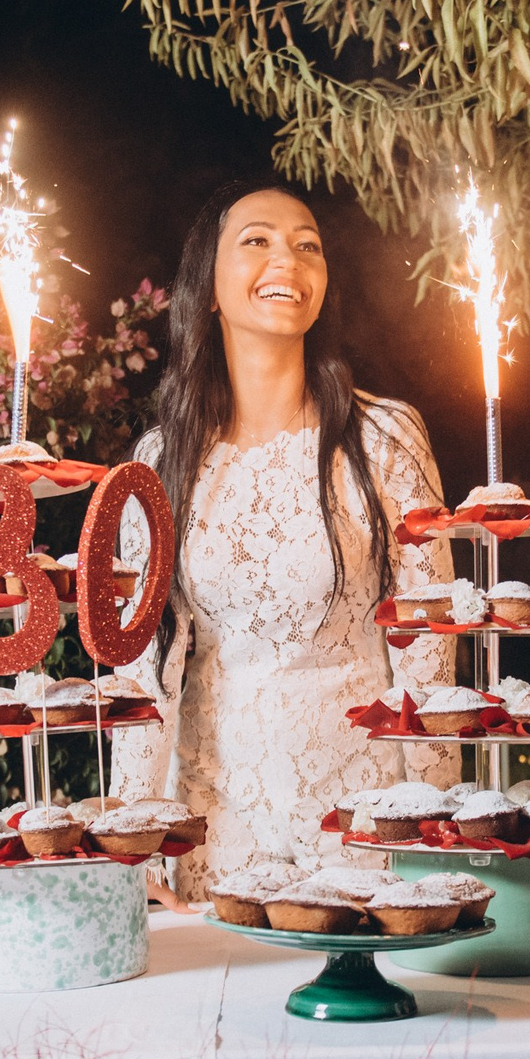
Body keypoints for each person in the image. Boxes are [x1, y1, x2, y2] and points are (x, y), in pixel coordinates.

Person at [111, 181, 457, 896]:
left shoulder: (385, 437)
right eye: (257, 240)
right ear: (208, 285)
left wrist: (433, 831)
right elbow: (144, 673)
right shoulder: (157, 462)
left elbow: (431, 653)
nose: (287, 259)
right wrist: (133, 849)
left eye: (308, 245)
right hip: (217, 831)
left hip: (360, 825)